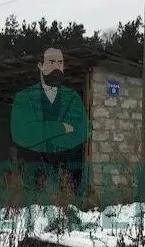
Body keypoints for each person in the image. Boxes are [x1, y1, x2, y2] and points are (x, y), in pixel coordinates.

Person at [10, 47, 90, 193]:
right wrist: (62, 128)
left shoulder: (73, 97)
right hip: (33, 169)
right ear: (40, 66)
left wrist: (40, 130)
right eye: (51, 62)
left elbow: (83, 131)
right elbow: (20, 133)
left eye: (60, 63)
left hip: (66, 170)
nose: (56, 67)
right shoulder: (24, 97)